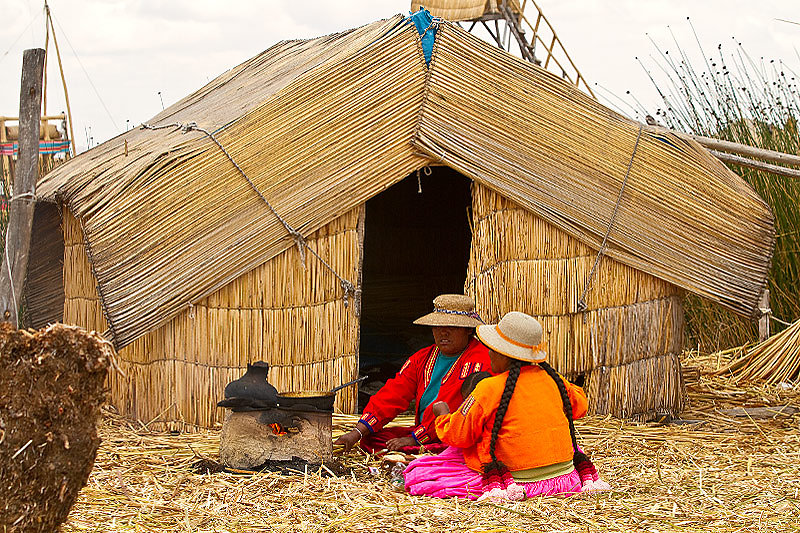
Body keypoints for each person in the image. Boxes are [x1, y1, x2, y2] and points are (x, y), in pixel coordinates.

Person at [403, 311, 610, 500]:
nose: (489, 354)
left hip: (511, 482)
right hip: (565, 478)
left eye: (491, 349)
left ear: (502, 353)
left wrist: (443, 416)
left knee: (420, 473)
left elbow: (459, 436)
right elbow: (580, 406)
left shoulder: (489, 388)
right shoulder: (554, 380)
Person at [335, 294, 491, 453]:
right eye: (438, 326)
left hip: (457, 435)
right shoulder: (422, 358)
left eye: (452, 326)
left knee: (452, 449)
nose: (443, 332)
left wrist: (414, 439)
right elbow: (393, 393)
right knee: (372, 440)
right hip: (422, 431)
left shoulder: (482, 360)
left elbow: (453, 405)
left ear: (468, 329)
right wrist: (357, 433)